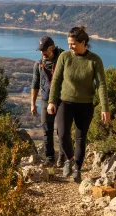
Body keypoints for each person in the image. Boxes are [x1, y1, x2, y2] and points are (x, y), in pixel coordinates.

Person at [47, 26, 111, 183]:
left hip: (85, 105)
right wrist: (51, 101)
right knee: (62, 134)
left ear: (83, 42)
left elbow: (101, 84)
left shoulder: (94, 60)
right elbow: (56, 80)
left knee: (80, 138)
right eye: (69, 43)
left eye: (73, 44)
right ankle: (68, 159)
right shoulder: (64, 57)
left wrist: (105, 108)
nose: (70, 47)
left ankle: (77, 169)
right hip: (65, 102)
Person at [30, 36, 64, 166]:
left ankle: (63, 158)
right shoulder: (38, 64)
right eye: (41, 50)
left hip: (63, 100)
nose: (42, 53)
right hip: (46, 100)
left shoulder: (64, 59)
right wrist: (33, 104)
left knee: (62, 131)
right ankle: (50, 159)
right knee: (46, 130)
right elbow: (35, 84)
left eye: (45, 50)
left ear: (52, 48)